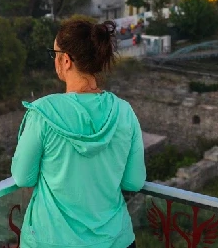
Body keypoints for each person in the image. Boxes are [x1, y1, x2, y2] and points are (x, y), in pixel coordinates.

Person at [12, 19, 146, 248]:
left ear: (65, 60)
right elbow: (134, 182)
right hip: (115, 241)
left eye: (54, 53)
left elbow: (23, 177)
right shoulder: (124, 112)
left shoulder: (43, 113)